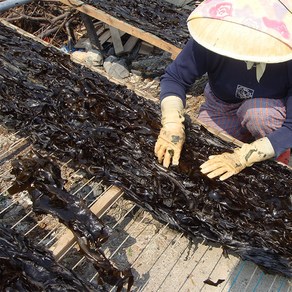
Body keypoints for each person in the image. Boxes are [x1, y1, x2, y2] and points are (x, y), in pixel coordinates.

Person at [154, 0, 292, 181]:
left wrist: (244, 157)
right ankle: (245, 134)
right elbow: (175, 78)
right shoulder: (215, 36)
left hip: (267, 109)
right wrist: (172, 122)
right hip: (222, 103)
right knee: (204, 145)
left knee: (258, 114)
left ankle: (278, 152)